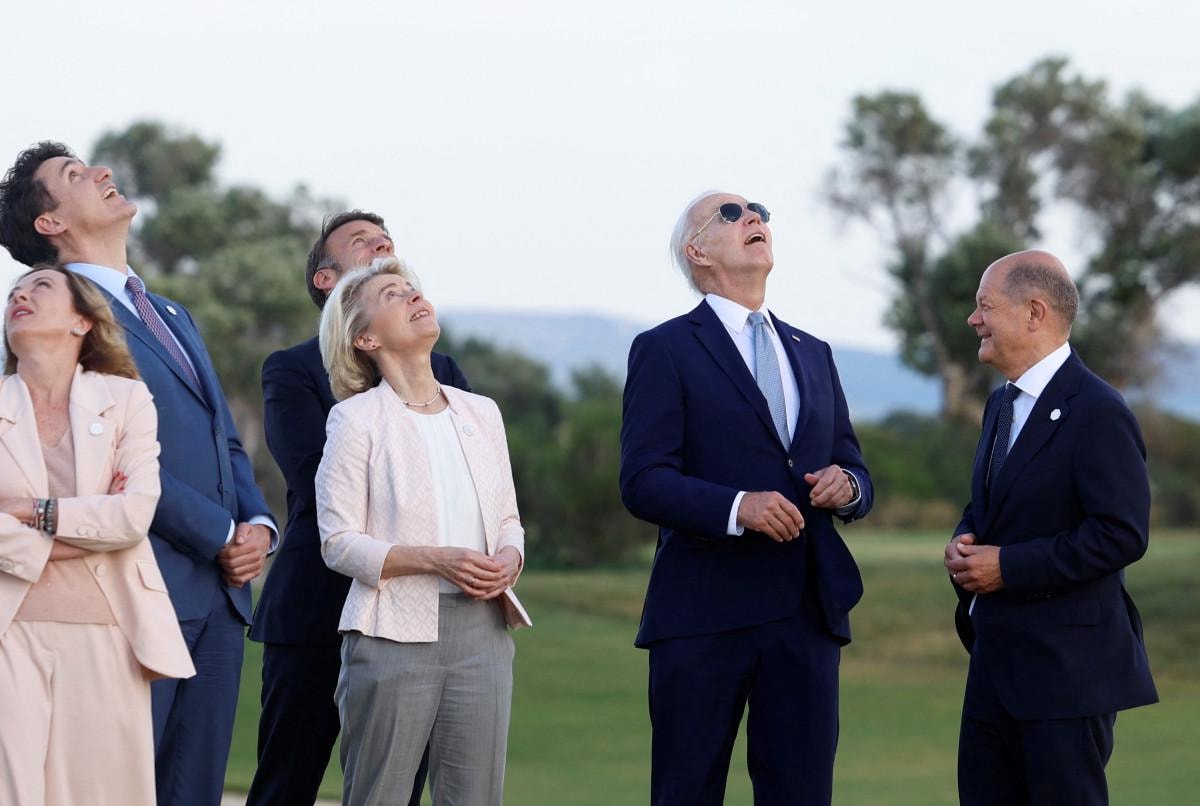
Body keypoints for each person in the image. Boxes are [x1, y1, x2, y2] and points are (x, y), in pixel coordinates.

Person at [0, 142, 277, 806]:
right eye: (75, 175)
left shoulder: (175, 314)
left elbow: (221, 437)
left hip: (219, 601)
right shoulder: (57, 318)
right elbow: (97, 460)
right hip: (128, 593)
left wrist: (257, 524)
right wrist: (218, 533)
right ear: (50, 222)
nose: (102, 173)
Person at [619, 191, 874, 805]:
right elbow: (643, 479)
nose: (753, 218)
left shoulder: (814, 352)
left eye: (758, 211)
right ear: (697, 251)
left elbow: (856, 470)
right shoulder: (664, 349)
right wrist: (739, 507)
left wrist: (847, 487)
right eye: (731, 214)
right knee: (687, 792)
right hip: (702, 614)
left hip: (806, 614)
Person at [247, 211, 470, 806]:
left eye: (385, 239)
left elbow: (467, 482)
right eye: (360, 241)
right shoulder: (292, 369)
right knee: (286, 782)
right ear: (326, 279)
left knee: (396, 789)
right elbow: (314, 477)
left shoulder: (445, 373)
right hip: (316, 606)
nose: (381, 243)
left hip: (414, 612)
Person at [945, 250, 1157, 805]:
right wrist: (966, 540)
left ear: (1034, 312)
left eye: (985, 306)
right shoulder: (1000, 405)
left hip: (1067, 677)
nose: (973, 319)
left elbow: (1121, 533)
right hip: (994, 669)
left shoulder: (1099, 410)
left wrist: (1007, 567)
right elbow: (994, 504)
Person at [316, 257, 530, 806]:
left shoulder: (482, 413)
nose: (413, 295)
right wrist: (436, 560)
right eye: (392, 294)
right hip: (391, 633)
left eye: (412, 288)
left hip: (483, 631)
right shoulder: (355, 419)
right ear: (364, 338)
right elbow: (338, 542)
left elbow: (507, 519)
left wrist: (510, 557)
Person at [0, 265, 195, 804]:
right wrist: (89, 525)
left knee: (103, 793)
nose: (19, 296)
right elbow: (112, 524)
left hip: (109, 629)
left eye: (40, 287)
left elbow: (132, 516)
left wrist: (27, 512)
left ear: (82, 321)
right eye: (14, 292)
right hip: (9, 631)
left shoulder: (126, 399)